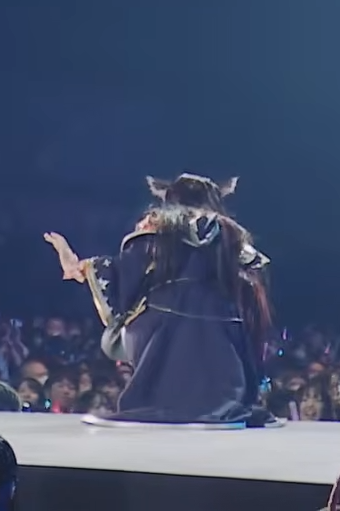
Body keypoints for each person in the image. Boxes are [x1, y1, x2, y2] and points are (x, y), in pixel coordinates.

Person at [42, 173, 275, 427]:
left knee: (130, 328)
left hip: (163, 322)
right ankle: (225, 403)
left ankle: (158, 399)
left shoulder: (158, 226)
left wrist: (83, 267)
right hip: (224, 325)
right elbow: (255, 279)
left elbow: (127, 271)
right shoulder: (232, 235)